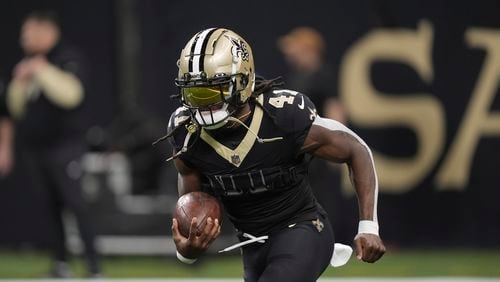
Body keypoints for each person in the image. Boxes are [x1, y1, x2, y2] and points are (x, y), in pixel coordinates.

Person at [166, 28, 385, 281]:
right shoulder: (187, 132)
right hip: (250, 245)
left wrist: (369, 226)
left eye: (216, 90)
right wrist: (188, 250)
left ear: (242, 80)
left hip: (302, 229)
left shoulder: (282, 116)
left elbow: (355, 148)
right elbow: (194, 203)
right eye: (196, 93)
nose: (205, 105)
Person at [5, 10, 100, 277]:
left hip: (66, 147)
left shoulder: (67, 58)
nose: (24, 38)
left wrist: (41, 71)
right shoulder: (28, 63)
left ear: (47, 31)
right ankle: (61, 264)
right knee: (50, 207)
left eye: (30, 32)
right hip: (37, 148)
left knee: (76, 205)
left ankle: (95, 268)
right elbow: (15, 108)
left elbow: (72, 95)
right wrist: (20, 81)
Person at [278, 26, 351, 242]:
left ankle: (329, 242)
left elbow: (335, 110)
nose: (289, 52)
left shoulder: (324, 76)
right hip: (300, 151)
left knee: (325, 198)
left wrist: (338, 144)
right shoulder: (296, 77)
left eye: (294, 47)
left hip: (320, 150)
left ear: (308, 49)